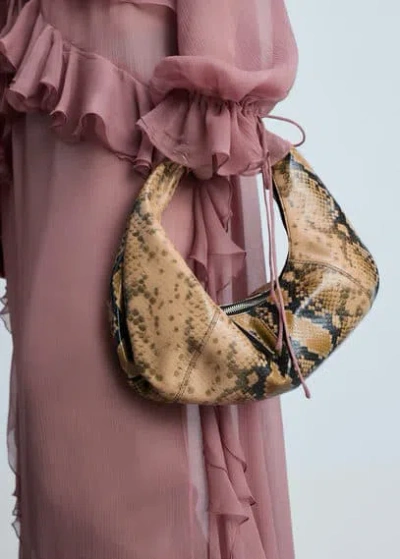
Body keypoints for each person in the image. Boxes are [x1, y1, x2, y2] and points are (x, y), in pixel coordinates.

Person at [0, 1, 299, 557]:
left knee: (142, 389)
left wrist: (213, 73)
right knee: (60, 402)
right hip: (44, 75)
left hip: (142, 88)